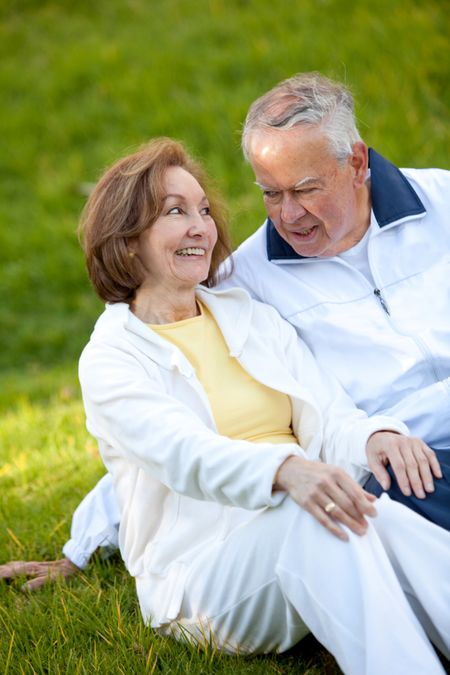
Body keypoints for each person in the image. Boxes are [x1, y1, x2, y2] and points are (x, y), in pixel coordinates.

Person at [4, 137, 450, 673]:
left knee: (388, 521)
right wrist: (289, 472)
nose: (201, 226)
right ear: (127, 240)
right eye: (175, 212)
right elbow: (185, 455)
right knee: (322, 516)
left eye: (204, 210)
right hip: (205, 574)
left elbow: (329, 418)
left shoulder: (247, 314)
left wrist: (375, 437)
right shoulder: (112, 358)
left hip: (304, 515)